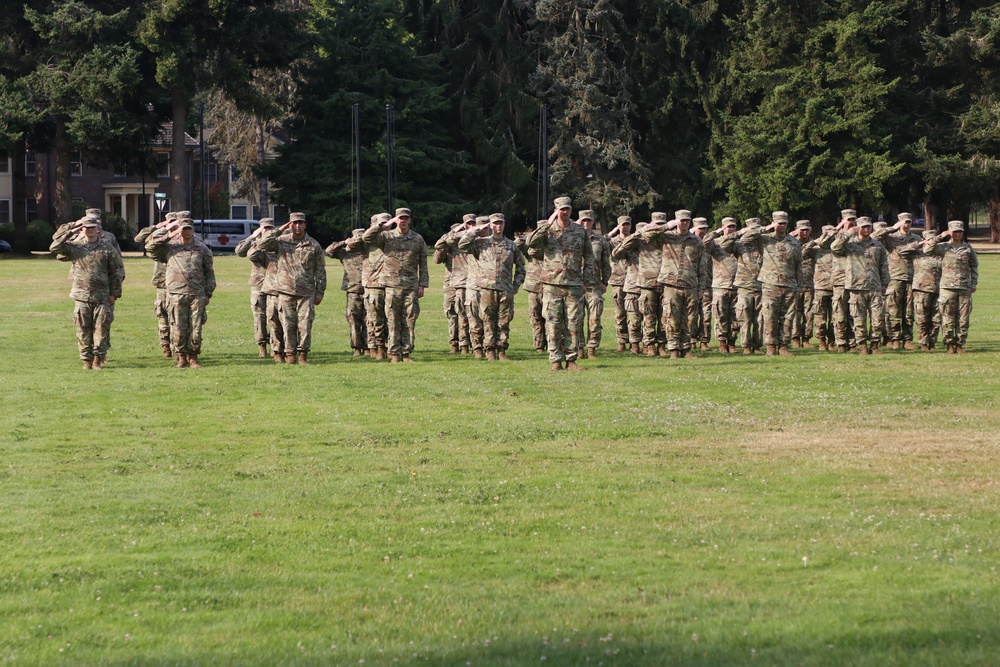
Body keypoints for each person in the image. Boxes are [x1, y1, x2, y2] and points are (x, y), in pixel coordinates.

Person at [527, 196, 595, 371]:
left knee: (574, 323)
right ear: (556, 211)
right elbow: (530, 243)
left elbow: (589, 257)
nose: (564, 212)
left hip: (573, 285)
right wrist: (546, 225)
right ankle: (555, 360)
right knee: (553, 323)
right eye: (561, 209)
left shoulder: (579, 231)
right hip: (552, 284)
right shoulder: (547, 231)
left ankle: (571, 360)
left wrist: (586, 279)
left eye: (567, 209)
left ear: (571, 210)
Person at [49, 215, 124, 369]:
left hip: (102, 295)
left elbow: (117, 271)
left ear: (99, 230)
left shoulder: (107, 248)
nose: (89, 230)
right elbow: (54, 247)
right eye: (86, 227)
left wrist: (114, 294)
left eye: (92, 227)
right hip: (81, 295)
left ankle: (98, 358)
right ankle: (86, 359)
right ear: (82, 229)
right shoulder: (76, 247)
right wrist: (71, 229)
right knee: (82, 329)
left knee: (102, 328)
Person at [252, 212, 326, 364]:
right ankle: (290, 354)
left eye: (300, 223)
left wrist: (320, 292)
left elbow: (320, 270)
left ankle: (303, 354)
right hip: (285, 292)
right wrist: (279, 230)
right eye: (294, 223)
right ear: (290, 225)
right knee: (287, 325)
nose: (297, 226)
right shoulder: (281, 241)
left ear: (305, 225)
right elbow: (261, 245)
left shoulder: (313, 245)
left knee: (305, 325)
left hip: (306, 293)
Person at [145, 217, 216, 368]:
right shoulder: (170, 247)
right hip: (176, 294)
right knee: (178, 328)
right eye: (183, 229)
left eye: (189, 228)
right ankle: (181, 357)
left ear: (193, 230)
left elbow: (209, 272)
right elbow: (150, 247)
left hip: (196, 293)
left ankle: (193, 357)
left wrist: (208, 293)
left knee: (196, 329)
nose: (186, 232)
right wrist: (168, 235)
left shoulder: (202, 249)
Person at [362, 207, 429, 363]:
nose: (403, 221)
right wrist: (381, 226)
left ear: (410, 220)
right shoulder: (386, 237)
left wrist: (423, 284)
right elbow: (366, 238)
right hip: (391, 286)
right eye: (400, 218)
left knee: (409, 321)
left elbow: (423, 263)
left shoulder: (417, 239)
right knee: (392, 321)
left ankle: (406, 353)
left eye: (406, 218)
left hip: (410, 286)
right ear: (396, 220)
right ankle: (394, 354)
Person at [459, 213, 525, 360]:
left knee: (504, 321)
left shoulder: (511, 245)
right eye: (495, 223)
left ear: (504, 225)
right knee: (488, 320)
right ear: (490, 225)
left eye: (500, 223)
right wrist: (476, 230)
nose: (498, 226)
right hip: (486, 289)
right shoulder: (481, 243)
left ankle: (501, 350)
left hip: (505, 289)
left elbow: (521, 267)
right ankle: (489, 350)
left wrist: (516, 284)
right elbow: (462, 244)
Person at [642, 209, 705, 359]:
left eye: (687, 221)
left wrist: (701, 287)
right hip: (671, 284)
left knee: (689, 319)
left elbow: (701, 266)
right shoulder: (666, 237)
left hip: (690, 284)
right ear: (677, 221)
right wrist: (666, 226)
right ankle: (674, 350)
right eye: (681, 220)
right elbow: (646, 234)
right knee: (671, 318)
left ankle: (686, 349)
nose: (684, 223)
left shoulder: (696, 241)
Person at [830, 216, 889, 354]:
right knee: (859, 319)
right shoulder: (850, 244)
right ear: (858, 228)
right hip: (856, 287)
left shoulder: (877, 245)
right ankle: (862, 345)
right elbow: (834, 247)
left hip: (874, 286)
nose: (866, 229)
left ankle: (874, 345)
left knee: (878, 318)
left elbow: (884, 266)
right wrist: (849, 233)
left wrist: (885, 284)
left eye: (868, 226)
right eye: (863, 227)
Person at [135, 211, 188, 357]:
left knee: (178, 318)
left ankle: (178, 347)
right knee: (163, 316)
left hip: (181, 285)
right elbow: (140, 239)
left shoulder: (186, 239)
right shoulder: (160, 237)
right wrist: (162, 227)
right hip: (162, 282)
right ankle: (166, 346)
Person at [924, 221, 978, 353]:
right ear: (950, 232)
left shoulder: (968, 248)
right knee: (947, 317)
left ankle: (959, 344)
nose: (958, 234)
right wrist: (939, 237)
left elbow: (974, 266)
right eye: (955, 232)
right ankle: (949, 344)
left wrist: (973, 283)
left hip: (964, 287)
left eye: (960, 231)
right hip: (947, 287)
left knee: (963, 318)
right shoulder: (943, 247)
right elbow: (927, 250)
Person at [618, 212, 667, 356]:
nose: (658, 228)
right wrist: (638, 234)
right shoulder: (639, 242)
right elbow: (617, 253)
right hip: (644, 284)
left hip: (664, 283)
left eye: (661, 224)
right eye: (656, 225)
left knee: (664, 317)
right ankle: (648, 345)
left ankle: (662, 345)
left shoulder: (669, 239)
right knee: (647, 317)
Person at [874, 212, 922, 349]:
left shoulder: (916, 238)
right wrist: (892, 228)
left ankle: (907, 340)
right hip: (895, 277)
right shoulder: (891, 238)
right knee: (893, 310)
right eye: (904, 222)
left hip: (912, 278)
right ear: (900, 222)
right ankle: (894, 338)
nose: (907, 225)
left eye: (909, 222)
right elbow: (876, 236)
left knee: (909, 311)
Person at [719, 218, 764, 354]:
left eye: (757, 229)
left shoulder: (764, 243)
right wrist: (738, 233)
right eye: (753, 229)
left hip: (762, 286)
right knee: (744, 318)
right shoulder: (740, 244)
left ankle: (757, 346)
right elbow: (724, 246)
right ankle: (745, 346)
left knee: (760, 319)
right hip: (745, 286)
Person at [435, 214, 477, 354]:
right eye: (467, 224)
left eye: (473, 223)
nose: (470, 226)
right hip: (451, 282)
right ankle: (454, 343)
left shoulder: (474, 240)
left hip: (471, 281)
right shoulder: (451, 242)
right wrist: (456, 232)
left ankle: (468, 344)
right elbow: (437, 256)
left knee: (469, 314)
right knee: (452, 313)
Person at [235, 217, 276, 357]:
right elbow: (239, 251)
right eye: (265, 228)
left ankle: (275, 347)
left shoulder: (277, 241)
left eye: (270, 228)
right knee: (259, 318)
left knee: (274, 317)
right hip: (258, 284)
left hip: (275, 284)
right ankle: (262, 347)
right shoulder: (254, 242)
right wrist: (252, 237)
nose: (267, 230)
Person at [326, 228, 368, 357]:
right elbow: (329, 251)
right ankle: (357, 347)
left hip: (368, 289)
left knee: (369, 320)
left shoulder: (369, 251)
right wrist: (344, 242)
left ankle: (368, 347)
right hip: (352, 290)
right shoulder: (345, 253)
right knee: (354, 321)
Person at [898, 230, 942, 350]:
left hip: (938, 289)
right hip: (921, 289)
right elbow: (902, 252)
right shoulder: (918, 253)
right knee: (922, 318)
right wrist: (918, 244)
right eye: (929, 240)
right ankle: (923, 342)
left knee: (936, 318)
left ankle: (932, 342)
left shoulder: (941, 253)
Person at [578, 210, 612, 358]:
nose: (586, 223)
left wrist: (605, 281)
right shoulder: (575, 237)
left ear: (593, 222)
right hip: (577, 285)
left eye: (589, 221)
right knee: (576, 319)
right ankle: (579, 349)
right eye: (583, 221)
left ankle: (592, 347)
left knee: (595, 318)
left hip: (594, 285)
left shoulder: (600, 240)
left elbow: (606, 263)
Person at [702, 218, 739, 352]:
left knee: (735, 317)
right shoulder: (715, 244)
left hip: (736, 285)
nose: (731, 229)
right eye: (728, 227)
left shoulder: (739, 243)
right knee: (720, 315)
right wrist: (716, 233)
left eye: (733, 227)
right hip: (720, 285)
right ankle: (722, 343)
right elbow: (704, 243)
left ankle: (732, 342)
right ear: (723, 227)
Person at [357, 213, 390, 359]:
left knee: (392, 318)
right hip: (373, 284)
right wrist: (378, 227)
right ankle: (376, 347)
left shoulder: (393, 239)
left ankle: (390, 347)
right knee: (374, 319)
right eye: (383, 224)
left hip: (392, 284)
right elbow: (364, 237)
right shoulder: (369, 239)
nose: (387, 226)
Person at [515, 224, 548, 353]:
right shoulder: (530, 246)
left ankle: (554, 344)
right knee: (536, 317)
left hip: (551, 286)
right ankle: (539, 345)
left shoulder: (554, 243)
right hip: (534, 286)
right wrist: (528, 237)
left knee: (552, 317)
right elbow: (515, 246)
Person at [804, 225, 836, 350]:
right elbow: (802, 252)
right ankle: (821, 341)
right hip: (820, 288)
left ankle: (832, 342)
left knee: (835, 319)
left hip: (836, 287)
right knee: (820, 319)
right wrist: (815, 241)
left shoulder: (838, 249)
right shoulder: (815, 250)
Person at [785, 220, 814, 348]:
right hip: (795, 284)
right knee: (795, 312)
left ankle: (806, 338)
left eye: (807, 229)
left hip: (809, 283)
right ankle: (795, 338)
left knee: (809, 313)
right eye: (802, 230)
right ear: (797, 230)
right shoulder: (791, 243)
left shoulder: (815, 245)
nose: (804, 232)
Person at [606, 216, 633, 351]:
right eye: (622, 225)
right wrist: (613, 231)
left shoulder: (634, 240)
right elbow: (601, 241)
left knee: (635, 313)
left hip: (633, 281)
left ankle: (635, 343)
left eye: (627, 224)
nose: (625, 227)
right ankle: (622, 342)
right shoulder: (612, 241)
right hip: (618, 281)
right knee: (620, 313)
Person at [691, 217, 713, 350]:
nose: (703, 231)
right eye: (700, 228)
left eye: (705, 228)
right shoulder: (688, 242)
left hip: (706, 284)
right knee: (691, 315)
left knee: (706, 315)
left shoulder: (710, 243)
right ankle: (692, 340)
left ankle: (704, 341)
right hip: (691, 284)